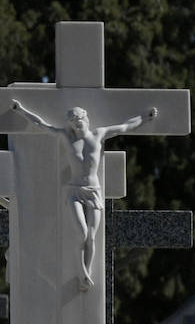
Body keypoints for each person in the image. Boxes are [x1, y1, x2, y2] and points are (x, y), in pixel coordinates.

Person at [11, 99, 157, 291]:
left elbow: (125, 127)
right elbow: (41, 124)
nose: (77, 123)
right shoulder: (66, 137)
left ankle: (86, 273)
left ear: (86, 119)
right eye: (73, 121)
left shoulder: (99, 135)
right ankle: (82, 271)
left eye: (80, 119)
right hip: (74, 191)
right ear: (69, 124)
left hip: (94, 191)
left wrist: (145, 117)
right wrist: (21, 110)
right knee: (81, 232)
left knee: (92, 237)